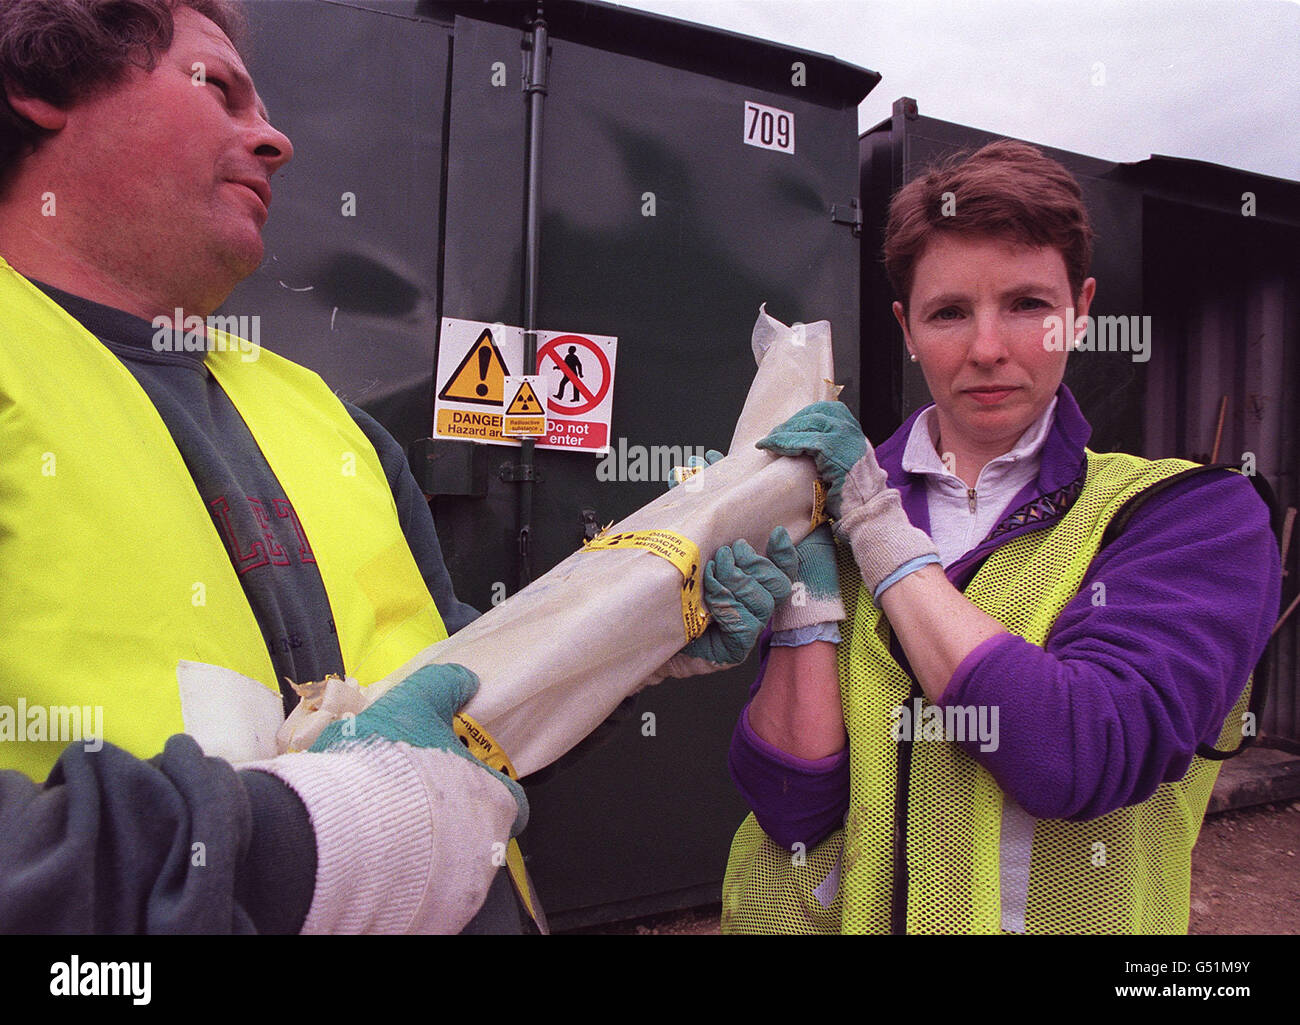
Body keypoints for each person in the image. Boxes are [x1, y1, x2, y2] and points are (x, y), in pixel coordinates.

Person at [0, 0, 790, 934]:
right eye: (217, 87)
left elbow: (466, 701)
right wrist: (313, 840)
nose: (275, 139)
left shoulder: (324, 418)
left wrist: (623, 648)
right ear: (42, 88)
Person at [721, 140, 1282, 934]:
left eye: (1027, 305)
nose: (987, 348)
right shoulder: (826, 504)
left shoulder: (1188, 515)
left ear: (1080, 312)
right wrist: (807, 604)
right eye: (949, 311)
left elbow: (1080, 750)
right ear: (906, 328)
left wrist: (875, 528)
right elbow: (794, 809)